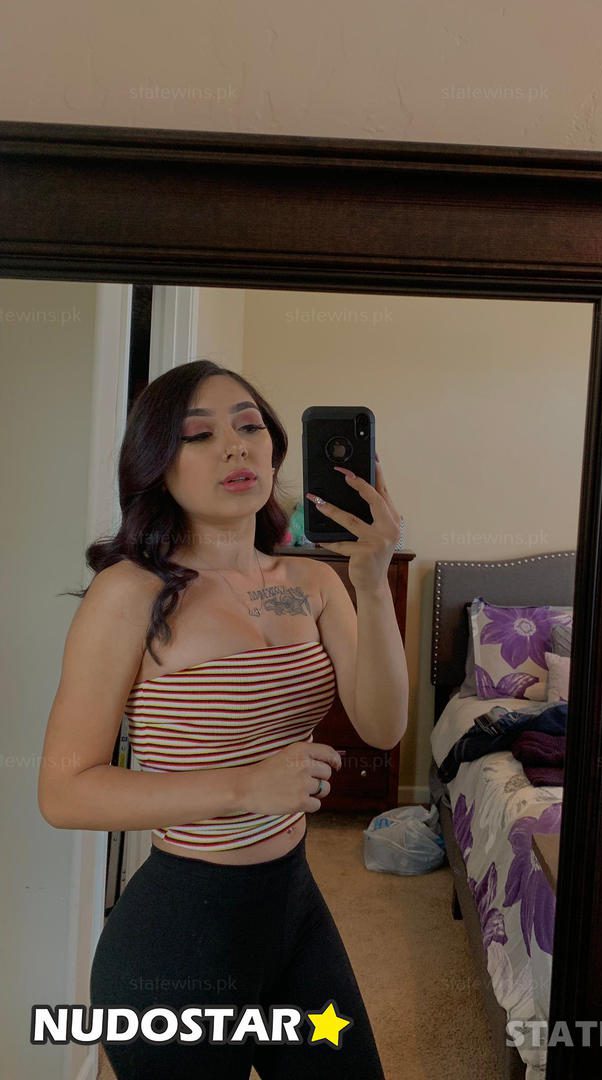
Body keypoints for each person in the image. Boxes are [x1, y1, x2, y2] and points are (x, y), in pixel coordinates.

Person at [37, 360, 408, 1079]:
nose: (236, 446)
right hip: (180, 939)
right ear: (157, 464)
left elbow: (383, 726)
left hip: (293, 908)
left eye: (249, 427)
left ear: (274, 448)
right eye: (199, 435)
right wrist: (244, 786)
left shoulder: (309, 582)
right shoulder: (131, 594)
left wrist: (372, 582)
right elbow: (64, 790)